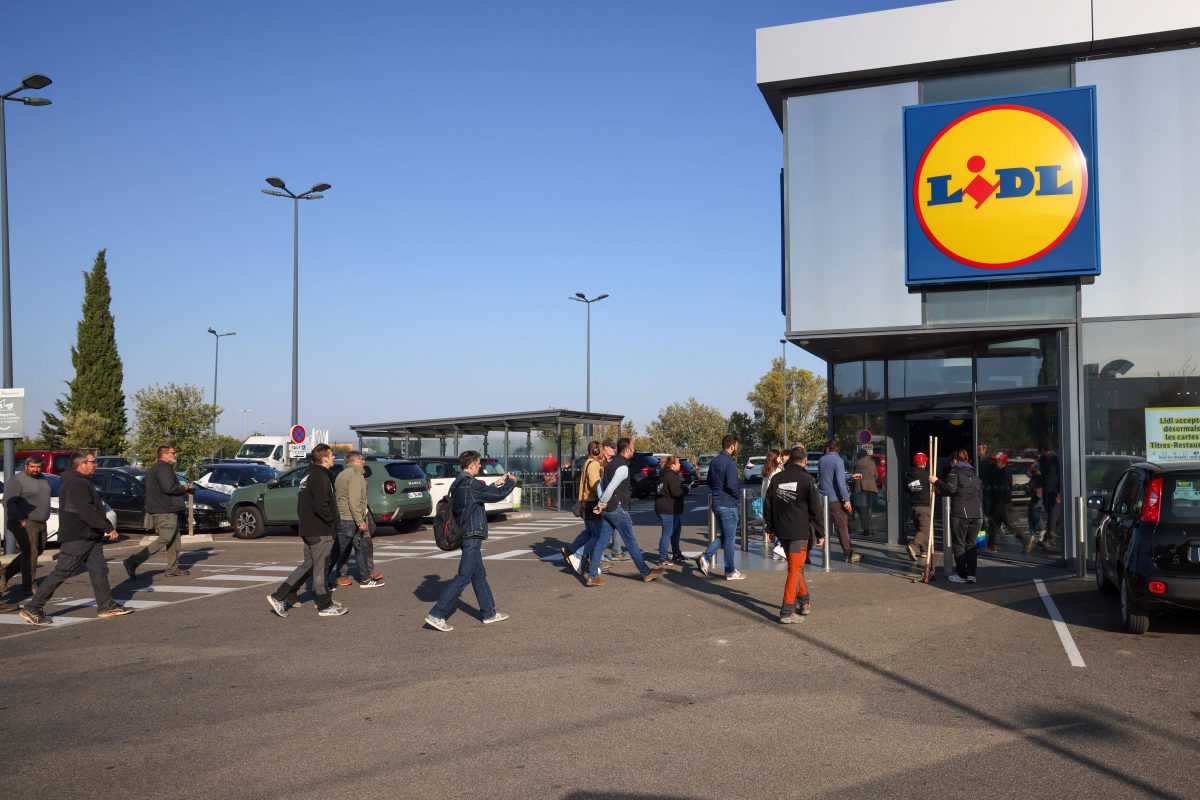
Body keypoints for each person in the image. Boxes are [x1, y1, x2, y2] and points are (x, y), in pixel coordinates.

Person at [18, 452, 133, 625]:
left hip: (90, 535)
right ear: (81, 464)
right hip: (79, 536)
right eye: (92, 462)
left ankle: (106, 606)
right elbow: (86, 510)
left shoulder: (79, 481)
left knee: (99, 570)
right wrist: (107, 527)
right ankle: (33, 608)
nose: (95, 465)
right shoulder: (76, 483)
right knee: (63, 571)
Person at [425, 450, 518, 630]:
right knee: (464, 576)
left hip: (464, 532)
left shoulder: (460, 482)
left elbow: (482, 492)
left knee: (479, 575)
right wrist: (511, 482)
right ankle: (437, 614)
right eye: (478, 463)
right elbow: (497, 495)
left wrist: (495, 483)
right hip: (472, 533)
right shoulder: (470, 484)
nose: (480, 466)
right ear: (472, 464)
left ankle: (489, 613)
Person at [266, 444, 347, 618]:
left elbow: (302, 503)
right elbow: (322, 506)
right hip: (319, 529)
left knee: (308, 564)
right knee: (320, 568)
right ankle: (324, 605)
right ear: (324, 458)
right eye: (331, 455)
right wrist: (333, 525)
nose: (333, 457)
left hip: (308, 527)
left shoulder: (308, 473)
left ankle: (279, 596)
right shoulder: (321, 477)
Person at [585, 438, 666, 587]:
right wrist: (602, 502)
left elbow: (600, 485)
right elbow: (611, 487)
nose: (634, 450)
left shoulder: (610, 464)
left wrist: (602, 503)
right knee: (630, 541)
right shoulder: (623, 467)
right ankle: (645, 572)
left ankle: (592, 576)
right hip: (616, 509)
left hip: (608, 509)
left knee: (601, 542)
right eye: (632, 448)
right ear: (627, 450)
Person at [764, 447, 824, 623]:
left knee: (795, 567)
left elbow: (768, 505)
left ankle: (804, 602)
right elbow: (816, 509)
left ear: (790, 459)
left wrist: (770, 529)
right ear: (805, 460)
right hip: (799, 532)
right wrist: (820, 532)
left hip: (782, 531)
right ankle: (787, 611)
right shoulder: (808, 480)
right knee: (794, 569)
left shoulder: (777, 479)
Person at [123, 445, 193, 580]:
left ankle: (173, 569)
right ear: (164, 454)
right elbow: (169, 488)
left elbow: (163, 488)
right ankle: (133, 561)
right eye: (173, 452)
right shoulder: (163, 468)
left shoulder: (156, 468)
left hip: (166, 509)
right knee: (165, 538)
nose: (175, 455)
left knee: (174, 540)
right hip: (164, 510)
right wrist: (184, 487)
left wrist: (181, 490)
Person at [331, 450, 383, 588]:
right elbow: (354, 500)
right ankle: (320, 579)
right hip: (350, 519)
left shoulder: (342, 473)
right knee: (339, 551)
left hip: (347, 517)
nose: (364, 461)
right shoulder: (354, 475)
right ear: (356, 460)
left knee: (361, 547)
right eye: (362, 459)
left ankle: (365, 578)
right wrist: (360, 521)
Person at [695, 434, 744, 580]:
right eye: (736, 446)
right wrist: (738, 495)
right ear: (732, 446)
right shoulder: (730, 462)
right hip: (728, 504)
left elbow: (710, 481)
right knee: (729, 540)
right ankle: (730, 570)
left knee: (725, 536)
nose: (737, 449)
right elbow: (732, 484)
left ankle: (705, 557)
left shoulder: (715, 461)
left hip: (717, 503)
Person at [3, 455, 52, 604]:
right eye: (32, 467)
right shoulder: (18, 481)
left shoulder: (42, 477)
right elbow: (8, 502)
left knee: (37, 550)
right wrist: (21, 519)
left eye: (38, 467)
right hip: (25, 522)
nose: (35, 469)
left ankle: (5, 574)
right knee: (31, 553)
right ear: (26, 466)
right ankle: (29, 586)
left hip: (40, 522)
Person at [931, 448, 983, 584]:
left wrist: (936, 481)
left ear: (954, 460)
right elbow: (980, 495)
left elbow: (950, 489)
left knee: (959, 544)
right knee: (971, 545)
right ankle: (971, 575)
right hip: (977, 514)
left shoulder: (955, 471)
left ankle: (961, 574)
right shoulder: (974, 474)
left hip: (961, 513)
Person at [561, 440, 607, 575]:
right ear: (596, 451)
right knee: (598, 535)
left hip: (586, 503)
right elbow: (594, 484)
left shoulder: (589, 462)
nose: (603, 452)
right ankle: (578, 555)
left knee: (590, 532)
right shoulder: (593, 464)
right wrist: (604, 495)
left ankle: (571, 550)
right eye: (602, 449)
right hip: (591, 502)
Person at [817, 439, 860, 563]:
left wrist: (850, 475)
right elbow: (840, 482)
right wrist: (846, 500)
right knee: (842, 526)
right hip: (834, 499)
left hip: (822, 498)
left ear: (828, 448)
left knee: (824, 526)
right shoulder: (838, 460)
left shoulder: (821, 460)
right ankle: (848, 554)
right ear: (838, 449)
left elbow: (828, 476)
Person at [984, 452, 1022, 552]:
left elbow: (1004, 490)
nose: (995, 463)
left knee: (1009, 525)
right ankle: (991, 546)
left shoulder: (1005, 472)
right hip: (1000, 503)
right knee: (993, 524)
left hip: (1004, 504)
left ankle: (1026, 540)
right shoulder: (1000, 471)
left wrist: (999, 502)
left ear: (1002, 462)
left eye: (996, 461)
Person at [654, 455, 689, 565]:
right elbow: (676, 492)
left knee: (676, 531)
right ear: (672, 465)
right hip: (668, 509)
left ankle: (676, 554)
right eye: (678, 463)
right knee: (668, 532)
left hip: (669, 508)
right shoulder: (670, 476)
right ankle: (663, 557)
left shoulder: (664, 474)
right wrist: (686, 489)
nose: (680, 464)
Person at [904, 452, 932, 561]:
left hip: (913, 506)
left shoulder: (909, 474)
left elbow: (910, 489)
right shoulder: (927, 475)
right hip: (924, 506)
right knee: (925, 530)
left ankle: (924, 550)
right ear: (924, 463)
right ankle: (913, 546)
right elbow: (936, 490)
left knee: (920, 529)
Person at [1037, 443, 1062, 552]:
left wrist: (1059, 492)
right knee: (1053, 516)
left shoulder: (1055, 459)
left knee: (1053, 515)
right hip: (1046, 491)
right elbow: (1041, 473)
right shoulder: (1043, 459)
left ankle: (1050, 539)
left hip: (1055, 491)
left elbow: (1060, 475)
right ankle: (1052, 537)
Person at [852, 448, 879, 536]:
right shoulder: (872, 462)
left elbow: (852, 476)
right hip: (872, 489)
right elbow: (876, 476)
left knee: (862, 510)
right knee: (869, 509)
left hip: (861, 489)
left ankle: (866, 530)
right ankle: (872, 528)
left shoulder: (857, 463)